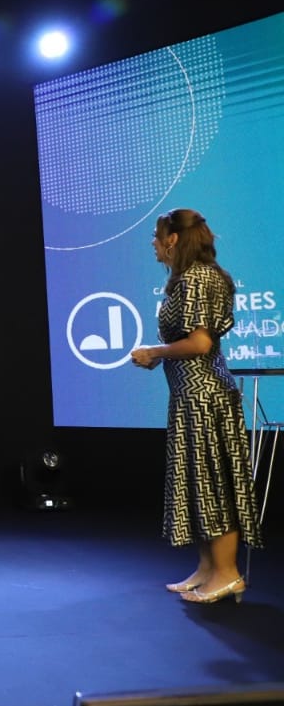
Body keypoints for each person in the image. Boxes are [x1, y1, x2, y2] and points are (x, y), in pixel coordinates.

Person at [130, 208, 261, 604]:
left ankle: (227, 573)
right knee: (198, 482)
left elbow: (201, 344)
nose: (152, 242)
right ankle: (207, 568)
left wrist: (155, 351)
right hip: (191, 396)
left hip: (204, 397)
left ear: (173, 239)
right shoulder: (187, 278)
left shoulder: (198, 278)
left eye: (157, 234)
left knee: (214, 482)